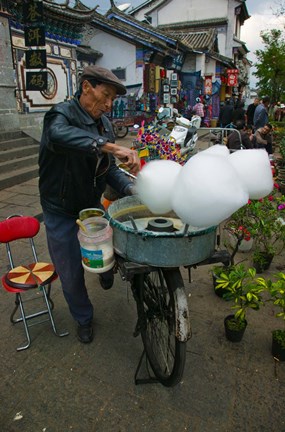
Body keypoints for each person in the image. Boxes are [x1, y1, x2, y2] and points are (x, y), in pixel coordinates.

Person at [38, 65, 140, 344]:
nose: (108, 105)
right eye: (105, 96)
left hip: (91, 206)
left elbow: (107, 169)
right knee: (70, 273)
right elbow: (61, 136)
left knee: (106, 251)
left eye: (112, 100)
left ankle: (105, 271)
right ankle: (83, 317)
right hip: (60, 209)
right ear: (86, 88)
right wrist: (110, 147)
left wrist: (131, 188)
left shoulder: (104, 124)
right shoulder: (60, 115)